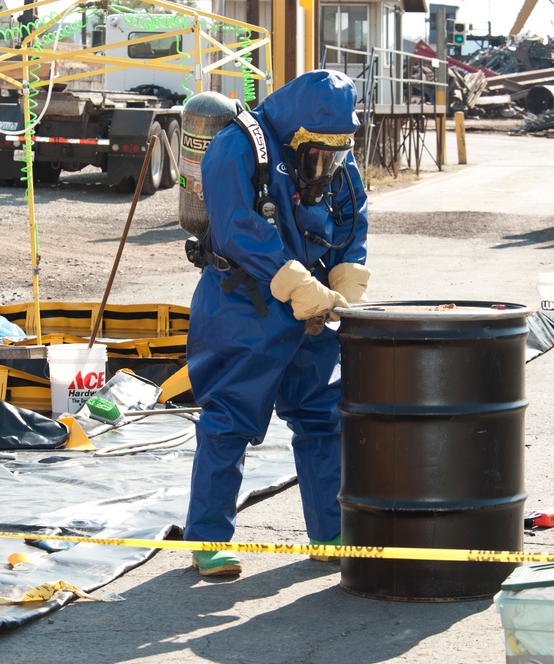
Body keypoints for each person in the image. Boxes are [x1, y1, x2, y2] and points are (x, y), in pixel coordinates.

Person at [183, 69, 370, 576]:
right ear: (297, 131)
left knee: (322, 416)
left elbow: (353, 213)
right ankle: (207, 539)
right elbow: (238, 226)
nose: (328, 159)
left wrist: (348, 276)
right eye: (319, 148)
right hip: (243, 302)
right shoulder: (235, 147)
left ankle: (330, 533)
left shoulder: (334, 147)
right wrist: (294, 283)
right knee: (229, 420)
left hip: (312, 304)